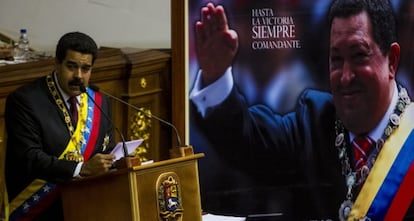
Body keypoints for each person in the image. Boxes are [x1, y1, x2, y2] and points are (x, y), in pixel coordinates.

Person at [190, 0, 414, 220]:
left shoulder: (410, 142)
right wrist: (215, 76)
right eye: (336, 59)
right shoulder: (314, 121)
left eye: (359, 56)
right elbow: (245, 140)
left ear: (392, 61)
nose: (346, 76)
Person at [4, 31, 116, 220]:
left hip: (88, 206)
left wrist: (121, 160)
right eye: (71, 67)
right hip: (41, 211)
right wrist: (82, 169)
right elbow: (29, 158)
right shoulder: (25, 101)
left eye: (85, 69)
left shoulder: (99, 101)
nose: (78, 76)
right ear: (56, 63)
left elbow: (107, 147)